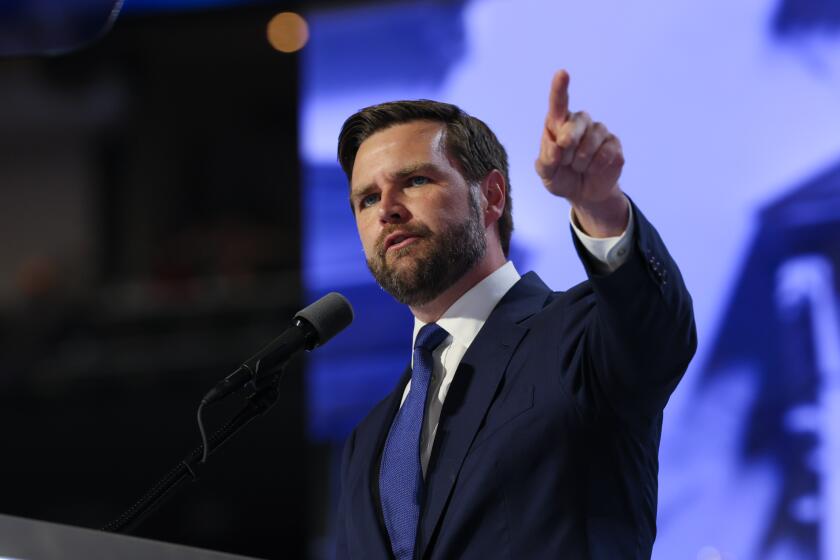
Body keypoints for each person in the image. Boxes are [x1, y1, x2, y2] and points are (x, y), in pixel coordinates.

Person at [333, 70, 697, 560]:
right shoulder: (367, 442)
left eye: (415, 180)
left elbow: (657, 331)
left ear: (493, 196)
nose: (387, 210)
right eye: (368, 199)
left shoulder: (576, 338)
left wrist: (600, 207)